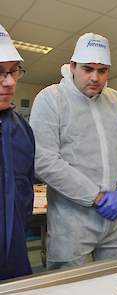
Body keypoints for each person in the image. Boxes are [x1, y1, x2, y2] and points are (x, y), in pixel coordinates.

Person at [29, 33, 117, 270]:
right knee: (71, 287)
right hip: (72, 221)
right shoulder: (52, 99)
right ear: (72, 66)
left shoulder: (114, 100)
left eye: (102, 71)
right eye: (88, 68)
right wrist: (97, 197)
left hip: (116, 219)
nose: (95, 77)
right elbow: (45, 160)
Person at [0, 24, 35, 280]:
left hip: (15, 257)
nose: (10, 81)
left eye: (13, 71)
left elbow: (24, 194)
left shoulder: (22, 129)